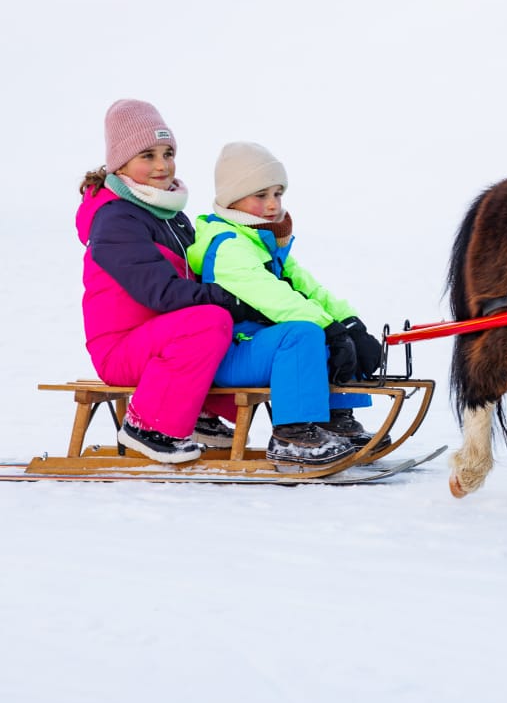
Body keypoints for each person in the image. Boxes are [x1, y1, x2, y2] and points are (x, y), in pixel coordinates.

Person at [76, 100, 261, 464]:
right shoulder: (116, 220)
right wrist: (228, 300)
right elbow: (160, 292)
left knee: (235, 322)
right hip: (121, 348)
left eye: (168, 153)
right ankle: (149, 426)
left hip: (163, 336)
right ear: (121, 163)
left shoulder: (170, 215)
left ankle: (200, 415)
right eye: (148, 155)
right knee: (210, 320)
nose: (162, 165)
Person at [187, 142, 389, 461]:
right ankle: (291, 434)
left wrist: (349, 323)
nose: (272, 205)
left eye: (277, 194)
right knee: (304, 334)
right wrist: (330, 330)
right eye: (261, 195)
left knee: (328, 332)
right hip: (231, 351)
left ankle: (336, 420)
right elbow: (274, 298)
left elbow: (309, 290)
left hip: (257, 345)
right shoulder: (228, 246)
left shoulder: (264, 242)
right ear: (232, 199)